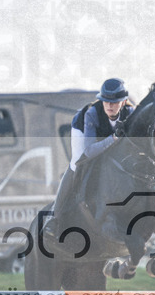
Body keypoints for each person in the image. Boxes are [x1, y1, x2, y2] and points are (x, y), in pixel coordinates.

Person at [42, 78, 134, 242]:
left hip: (109, 139)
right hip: (85, 135)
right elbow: (89, 151)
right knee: (76, 163)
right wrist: (113, 139)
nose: (109, 106)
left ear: (124, 102)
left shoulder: (132, 114)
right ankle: (54, 219)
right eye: (105, 101)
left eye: (114, 102)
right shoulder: (91, 114)